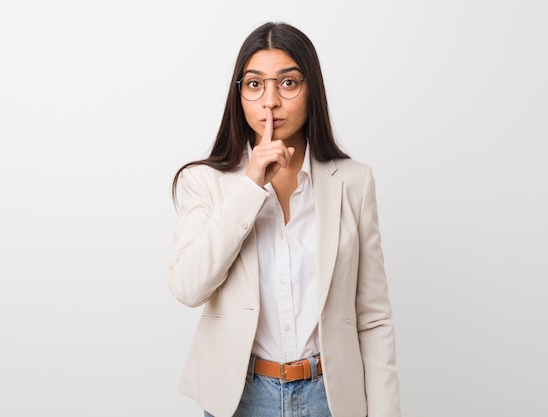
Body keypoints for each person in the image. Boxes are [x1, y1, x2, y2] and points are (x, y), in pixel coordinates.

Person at [168, 21, 401, 417]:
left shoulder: (353, 181)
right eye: (255, 84)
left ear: (312, 91)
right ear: (239, 94)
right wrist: (251, 186)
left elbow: (373, 317)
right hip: (241, 398)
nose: (270, 101)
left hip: (330, 398)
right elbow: (188, 287)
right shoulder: (204, 181)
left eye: (288, 83)